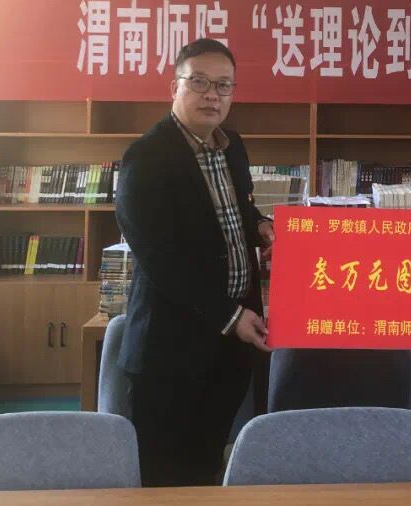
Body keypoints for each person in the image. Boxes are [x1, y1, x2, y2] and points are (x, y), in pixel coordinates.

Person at [116, 38, 274, 487]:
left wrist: (261, 226)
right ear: (175, 87)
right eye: (199, 82)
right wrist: (230, 316)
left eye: (223, 85)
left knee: (208, 461)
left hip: (228, 347)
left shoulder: (232, 145)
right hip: (171, 351)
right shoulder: (146, 158)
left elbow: (239, 210)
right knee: (163, 475)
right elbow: (159, 260)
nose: (212, 95)